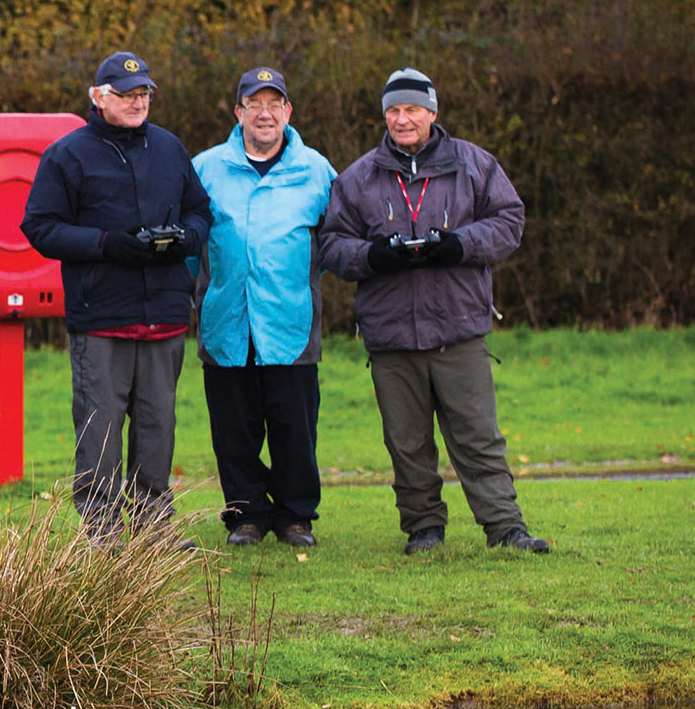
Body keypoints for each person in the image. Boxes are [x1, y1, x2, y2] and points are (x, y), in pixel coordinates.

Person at [317, 67, 550, 554]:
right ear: (385, 115)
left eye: (413, 110)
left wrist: (461, 244)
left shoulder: (474, 165)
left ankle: (505, 528)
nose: (403, 120)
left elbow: (511, 222)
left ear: (432, 113)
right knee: (406, 442)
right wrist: (374, 256)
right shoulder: (358, 176)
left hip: (459, 329)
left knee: (478, 436)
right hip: (391, 335)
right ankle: (423, 527)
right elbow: (333, 245)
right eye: (394, 111)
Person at [19, 52, 211, 543]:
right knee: (100, 430)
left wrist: (186, 238)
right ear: (98, 97)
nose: (137, 102)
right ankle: (101, 529)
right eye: (126, 95)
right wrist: (107, 244)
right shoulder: (68, 154)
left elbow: (200, 210)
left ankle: (151, 528)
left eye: (144, 94)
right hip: (101, 315)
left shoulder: (169, 148)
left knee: (157, 426)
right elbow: (39, 227)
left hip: (165, 312)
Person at [192, 66, 337, 549]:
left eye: (274, 104)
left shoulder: (317, 170)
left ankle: (296, 516)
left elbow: (335, 242)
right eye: (255, 104)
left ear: (288, 112)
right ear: (238, 112)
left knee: (294, 424)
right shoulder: (206, 168)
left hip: (290, 320)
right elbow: (191, 244)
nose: (265, 113)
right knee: (234, 427)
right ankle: (246, 515)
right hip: (225, 319)